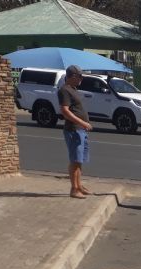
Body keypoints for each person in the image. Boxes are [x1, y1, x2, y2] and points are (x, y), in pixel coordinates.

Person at [57, 65, 93, 198]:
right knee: (74, 160)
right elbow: (65, 111)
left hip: (80, 130)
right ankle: (74, 189)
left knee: (79, 160)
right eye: (80, 77)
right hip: (74, 130)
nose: (81, 79)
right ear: (72, 76)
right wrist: (82, 122)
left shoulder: (73, 89)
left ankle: (79, 185)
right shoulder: (64, 90)